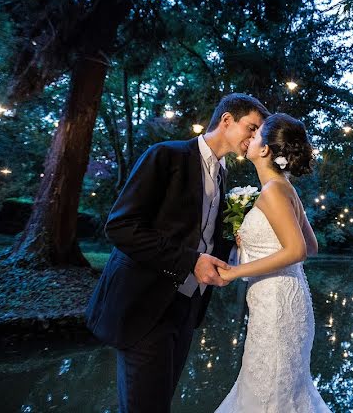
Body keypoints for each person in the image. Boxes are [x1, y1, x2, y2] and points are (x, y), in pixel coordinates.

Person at [85, 93, 270, 413]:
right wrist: (190, 262)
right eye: (251, 128)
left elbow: (202, 236)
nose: (255, 138)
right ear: (227, 121)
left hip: (186, 310)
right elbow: (121, 227)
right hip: (144, 305)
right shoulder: (165, 156)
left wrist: (238, 249)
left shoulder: (224, 174)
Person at [215, 113, 331, 413]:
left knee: (269, 392)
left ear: (265, 149)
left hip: (277, 308)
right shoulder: (285, 188)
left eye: (255, 135)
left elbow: (298, 251)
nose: (249, 139)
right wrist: (250, 243)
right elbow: (312, 245)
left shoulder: (272, 191)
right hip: (288, 302)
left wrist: (235, 270)